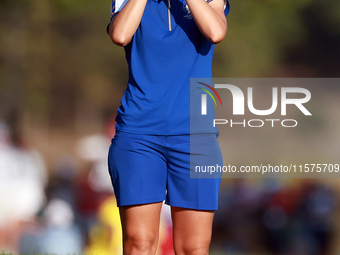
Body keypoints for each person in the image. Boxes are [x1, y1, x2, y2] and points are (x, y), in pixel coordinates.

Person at [106, 0, 230, 253]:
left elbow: (216, 32)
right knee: (140, 242)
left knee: (193, 247)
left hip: (196, 137)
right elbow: (120, 35)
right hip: (138, 135)